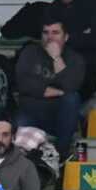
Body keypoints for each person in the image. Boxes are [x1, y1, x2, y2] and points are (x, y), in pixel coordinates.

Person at [13, 18, 84, 159]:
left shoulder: (75, 58)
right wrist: (57, 91)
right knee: (19, 124)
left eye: (55, 32)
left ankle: (60, 154)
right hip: (30, 112)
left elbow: (71, 87)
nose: (50, 37)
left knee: (72, 99)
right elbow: (22, 83)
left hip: (60, 117)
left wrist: (56, 58)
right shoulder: (29, 53)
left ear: (66, 37)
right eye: (46, 32)